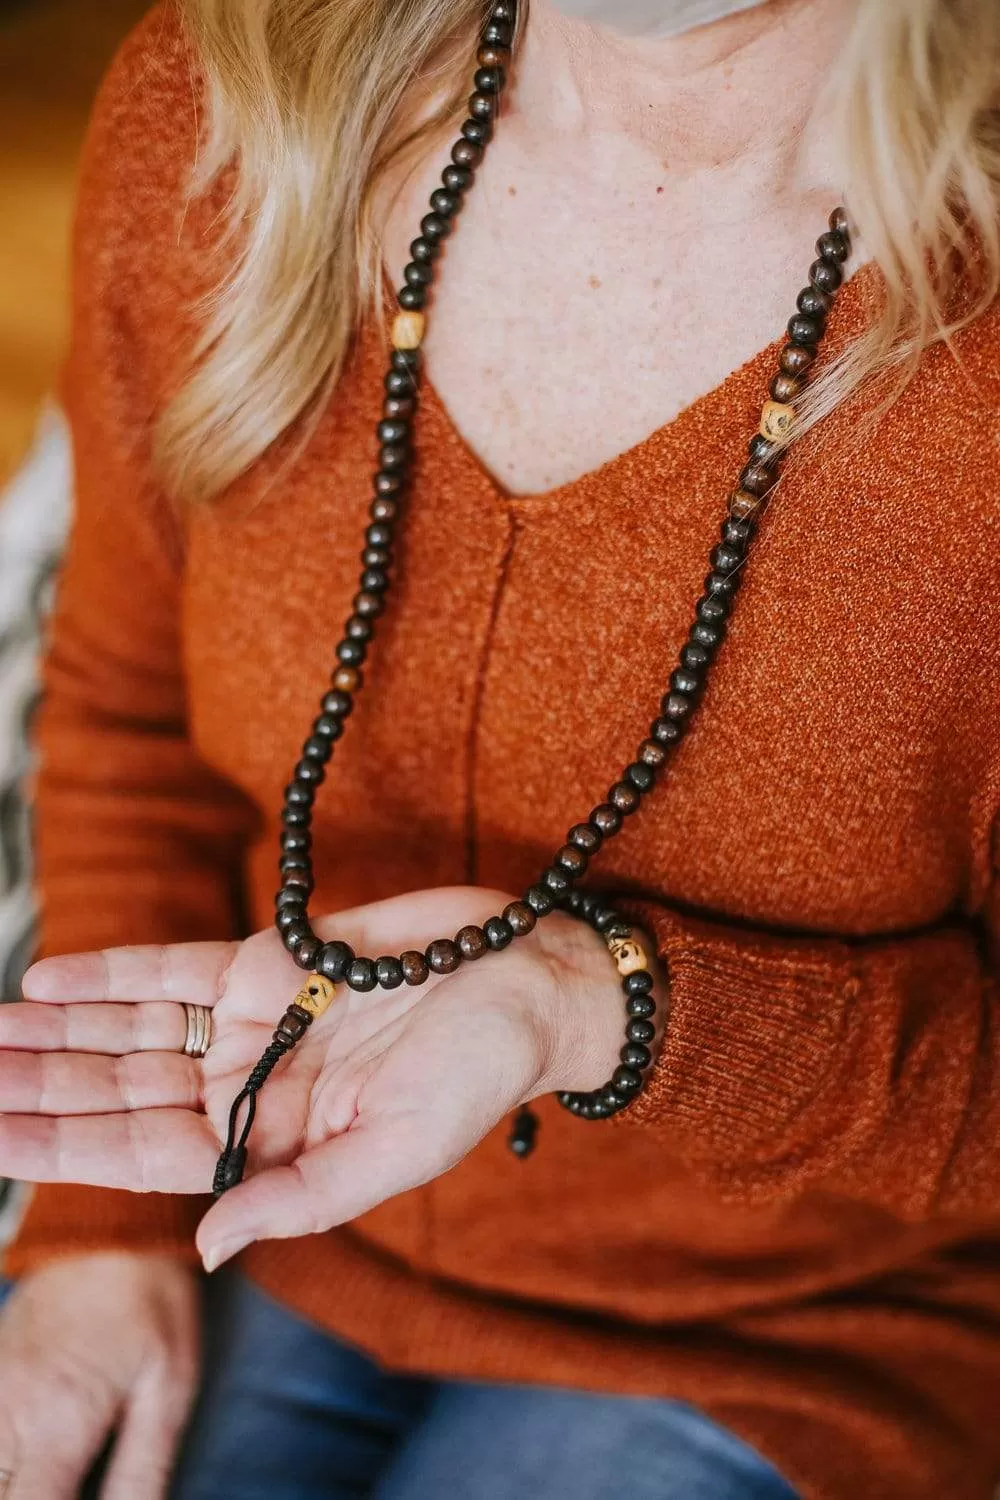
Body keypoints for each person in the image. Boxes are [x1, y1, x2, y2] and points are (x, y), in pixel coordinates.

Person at [1, 0, 999, 1495]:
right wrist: (96, 1237)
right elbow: (135, 718)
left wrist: (591, 1007)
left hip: (797, 1341)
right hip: (260, 1223)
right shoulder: (229, 116)